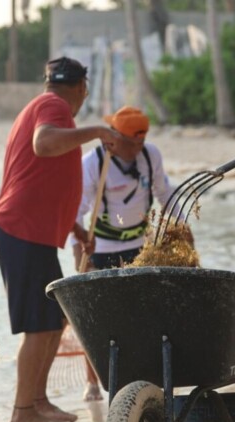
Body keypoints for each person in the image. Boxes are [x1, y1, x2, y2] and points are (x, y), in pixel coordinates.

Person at [0, 56, 122, 422]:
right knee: (38, 325)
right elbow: (44, 145)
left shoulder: (47, 107)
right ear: (82, 88)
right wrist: (97, 129)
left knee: (53, 321)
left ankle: (37, 401)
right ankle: (21, 413)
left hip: (34, 233)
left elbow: (42, 179)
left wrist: (75, 229)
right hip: (21, 231)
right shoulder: (53, 107)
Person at [68, 106, 179, 401]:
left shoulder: (150, 156)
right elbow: (75, 213)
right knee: (94, 320)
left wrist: (180, 224)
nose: (136, 149)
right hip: (100, 248)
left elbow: (164, 193)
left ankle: (139, 377)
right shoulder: (93, 163)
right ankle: (93, 383)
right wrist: (80, 255)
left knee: (141, 316)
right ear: (113, 137)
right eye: (131, 143)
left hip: (140, 247)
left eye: (141, 142)